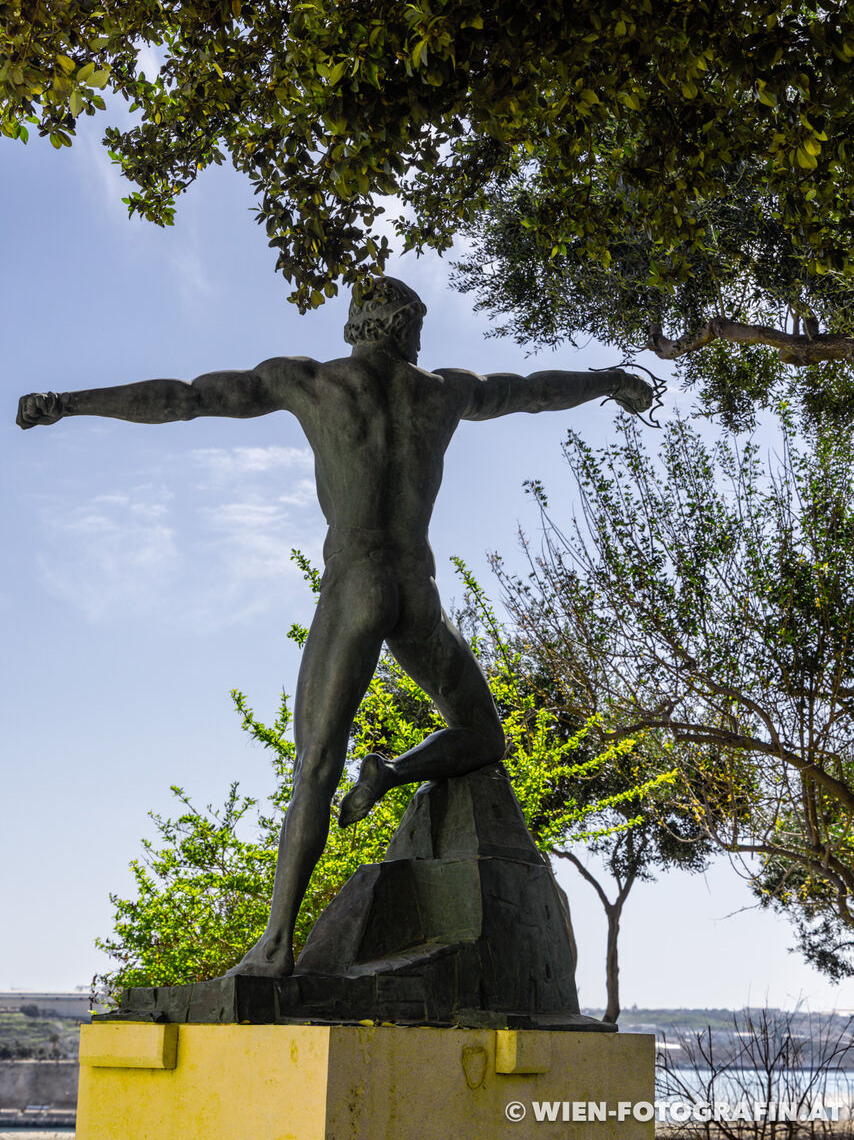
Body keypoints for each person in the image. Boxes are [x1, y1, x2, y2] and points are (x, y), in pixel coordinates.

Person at [17, 277, 655, 977]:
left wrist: (68, 405)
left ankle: (276, 947)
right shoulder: (446, 391)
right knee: (482, 733)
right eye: (418, 325)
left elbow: (185, 397)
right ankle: (394, 773)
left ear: (358, 324)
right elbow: (532, 390)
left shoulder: (310, 382)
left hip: (357, 586)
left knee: (316, 766)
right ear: (406, 326)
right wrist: (611, 381)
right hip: (418, 591)